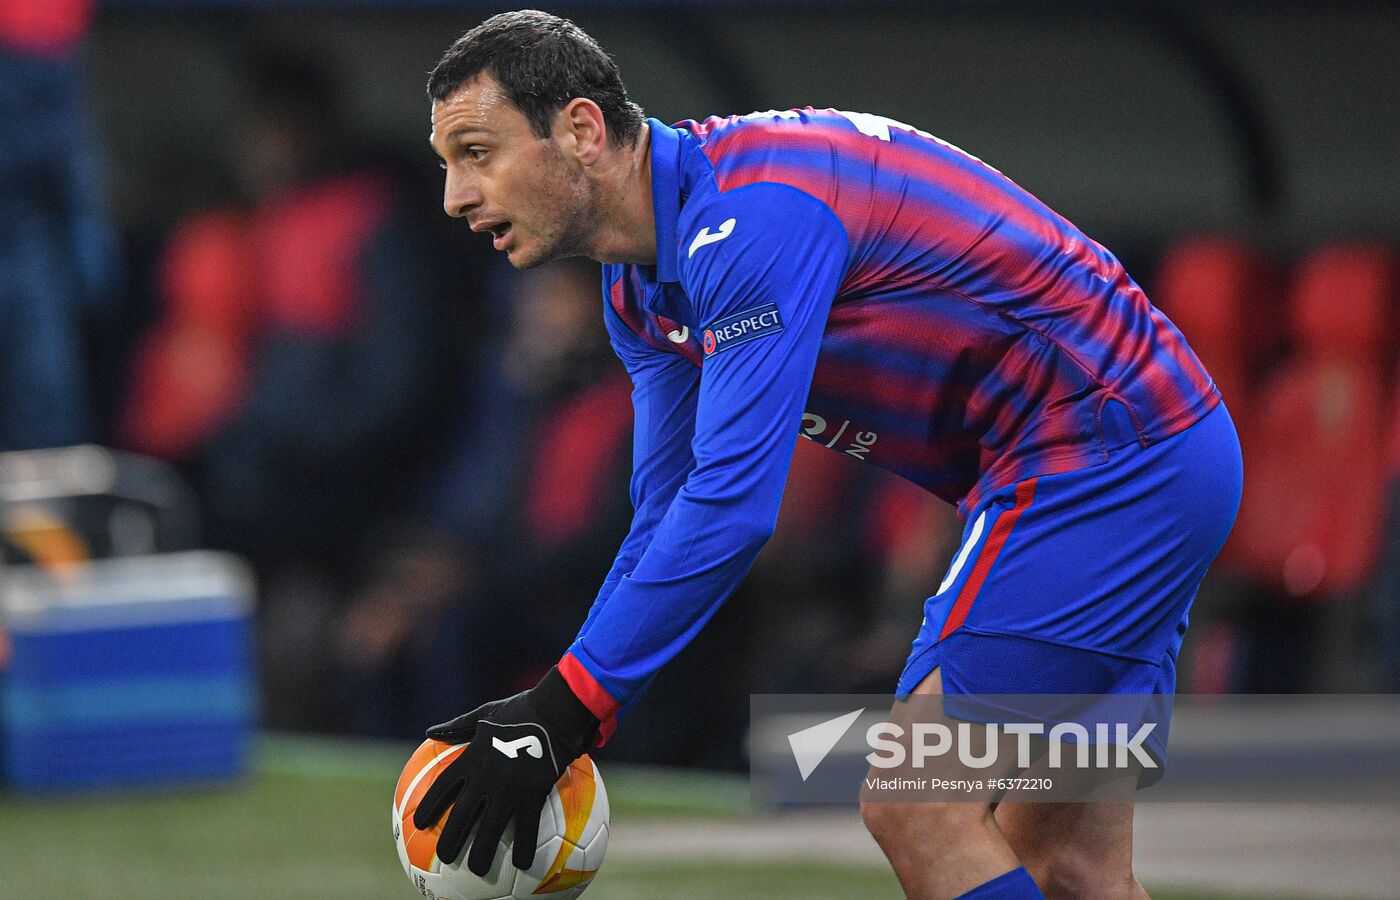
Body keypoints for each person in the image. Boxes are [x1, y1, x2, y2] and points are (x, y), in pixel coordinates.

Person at [412, 11, 1242, 899]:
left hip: (1104, 463)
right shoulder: (641, 289)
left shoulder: (748, 223)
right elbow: (666, 512)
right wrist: (554, 707)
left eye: (477, 152)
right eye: (448, 164)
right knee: (1073, 871)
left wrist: (565, 711)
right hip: (1140, 455)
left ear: (580, 130)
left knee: (919, 805)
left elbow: (732, 509)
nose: (456, 197)